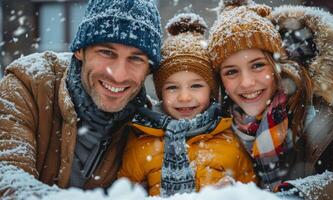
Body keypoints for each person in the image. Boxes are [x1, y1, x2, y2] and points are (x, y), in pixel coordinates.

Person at [0, 0, 162, 198]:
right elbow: (7, 178)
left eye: (136, 58)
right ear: (80, 50)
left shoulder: (150, 126)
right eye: (107, 52)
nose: (119, 75)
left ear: (149, 69)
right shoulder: (28, 85)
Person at [208, 0, 333, 199]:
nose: (246, 83)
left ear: (278, 65)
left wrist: (292, 195)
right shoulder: (220, 124)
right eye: (231, 72)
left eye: (258, 65)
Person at [117, 13, 257, 197]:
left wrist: (235, 193)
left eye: (196, 86)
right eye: (172, 87)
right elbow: (121, 193)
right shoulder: (142, 144)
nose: (184, 97)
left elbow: (254, 191)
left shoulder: (231, 141)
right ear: (161, 93)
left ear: (212, 90)